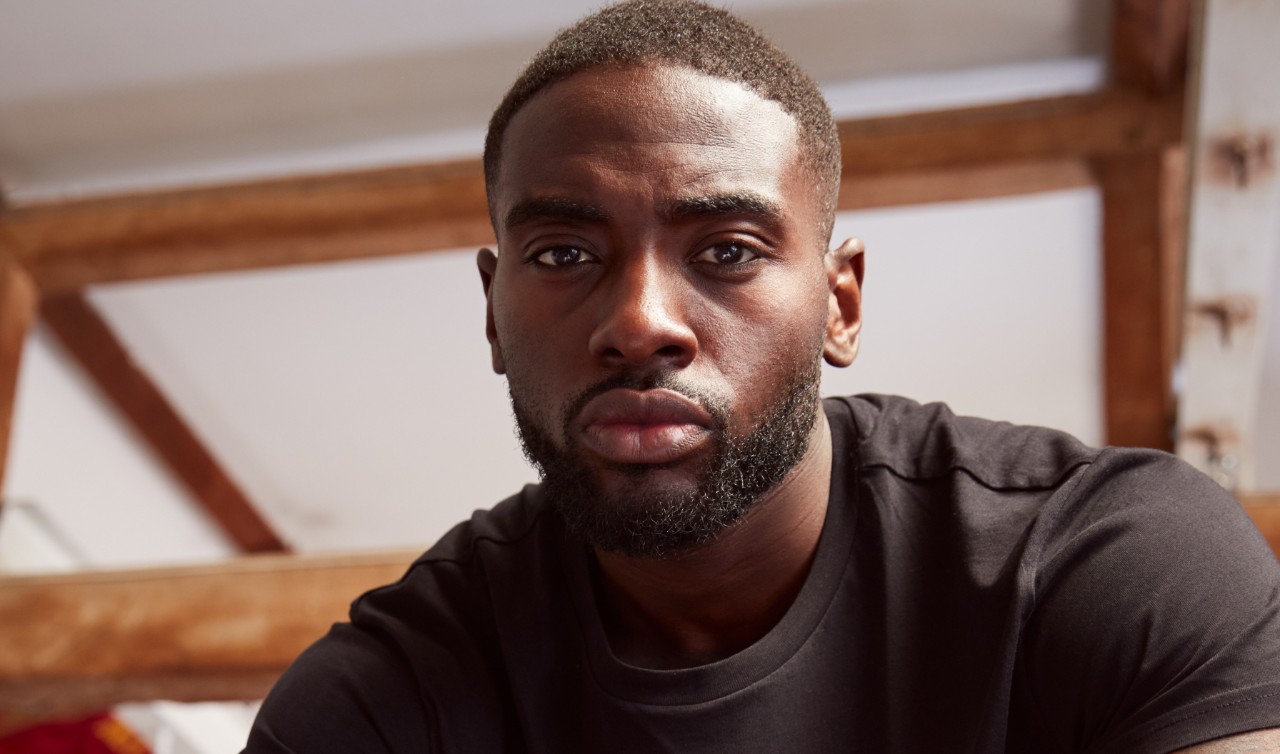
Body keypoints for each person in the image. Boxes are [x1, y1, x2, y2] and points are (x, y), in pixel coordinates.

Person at [242, 2, 1280, 751]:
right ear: (492, 313)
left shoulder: (1111, 560)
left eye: (726, 249)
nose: (639, 322)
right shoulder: (382, 700)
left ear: (839, 304)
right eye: (562, 253)